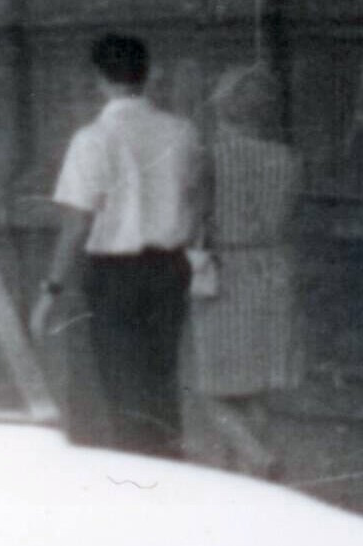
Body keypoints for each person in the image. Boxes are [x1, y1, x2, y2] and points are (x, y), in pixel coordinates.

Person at [33, 33, 205, 457]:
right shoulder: (181, 131)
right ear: (146, 74)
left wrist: (51, 289)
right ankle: (167, 470)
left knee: (122, 385)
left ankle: (138, 473)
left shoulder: (93, 138)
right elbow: (198, 199)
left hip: (115, 275)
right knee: (161, 381)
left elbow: (77, 221)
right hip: (170, 268)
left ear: (98, 78)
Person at [185, 64, 301, 480]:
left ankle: (259, 459)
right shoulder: (288, 158)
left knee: (211, 389)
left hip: (226, 272)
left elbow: (194, 217)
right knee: (255, 390)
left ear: (224, 107)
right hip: (274, 269)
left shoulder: (210, 157)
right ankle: (252, 484)